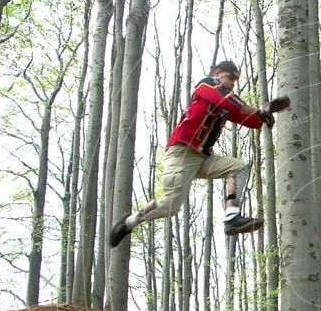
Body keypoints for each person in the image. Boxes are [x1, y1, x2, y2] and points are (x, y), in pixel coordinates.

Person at [109, 60, 276, 248]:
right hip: (182, 154)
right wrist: (260, 111)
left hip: (203, 158)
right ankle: (129, 223)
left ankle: (232, 218)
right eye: (230, 78)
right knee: (170, 205)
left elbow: (249, 119)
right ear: (217, 73)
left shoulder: (225, 105)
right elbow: (228, 100)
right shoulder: (206, 85)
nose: (233, 83)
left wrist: (267, 115)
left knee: (239, 167)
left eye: (236, 80)